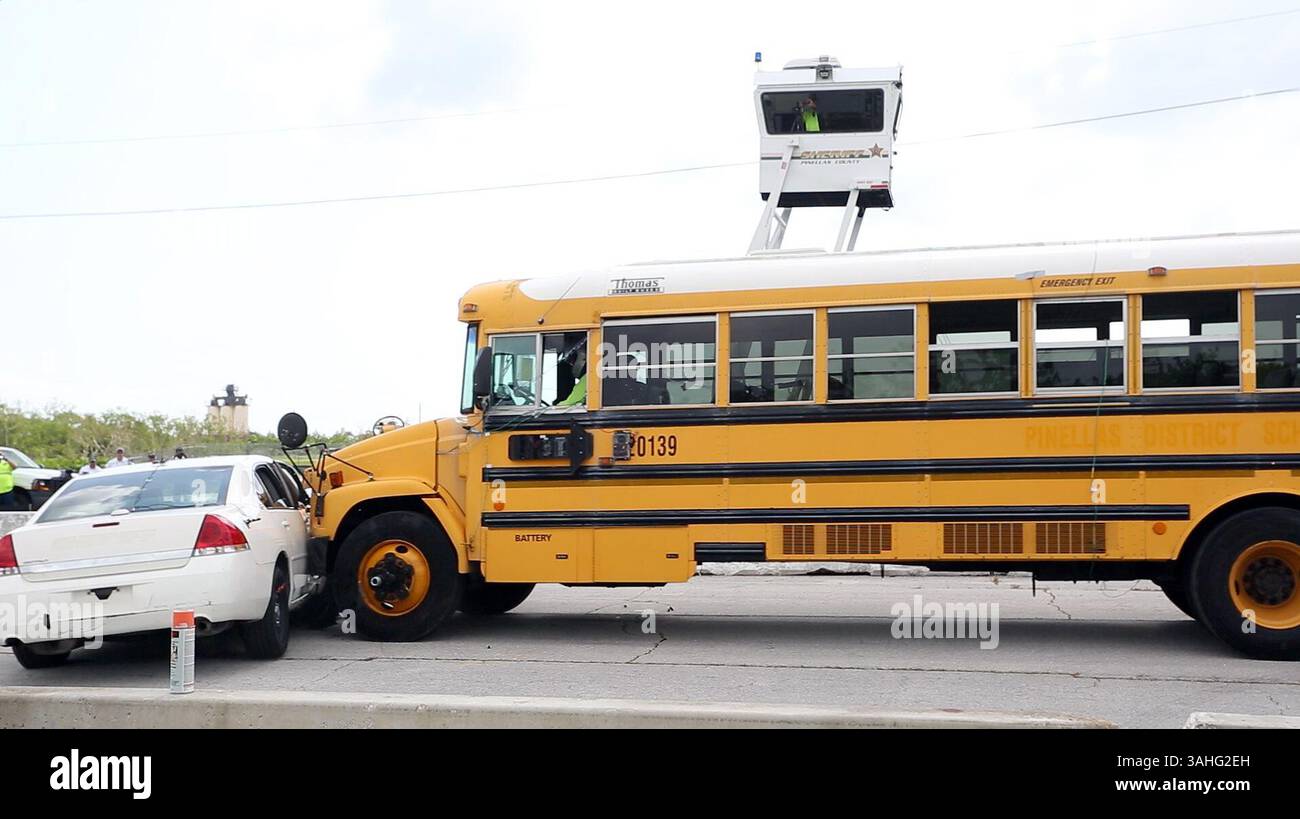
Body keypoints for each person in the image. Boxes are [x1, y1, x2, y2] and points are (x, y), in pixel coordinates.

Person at [555, 339, 588, 407]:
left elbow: (569, 403)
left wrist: (556, 406)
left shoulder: (587, 379)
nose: (569, 367)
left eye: (572, 362)